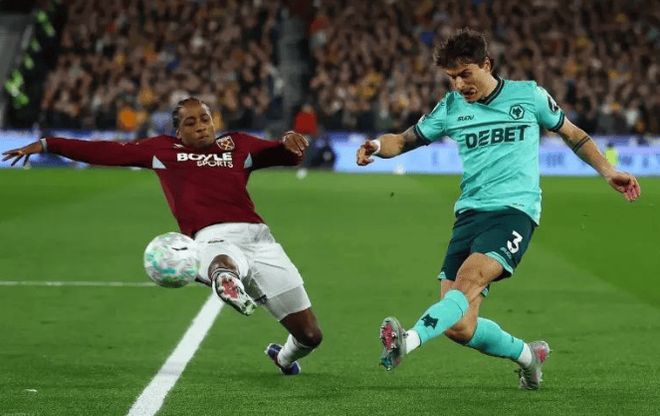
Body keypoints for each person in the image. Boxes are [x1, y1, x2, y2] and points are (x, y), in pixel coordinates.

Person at [356, 29, 641, 389]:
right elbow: (403, 140)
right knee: (459, 326)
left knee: (468, 281)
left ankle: (406, 342)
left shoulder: (529, 96)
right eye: (452, 77)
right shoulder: (451, 107)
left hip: (514, 212)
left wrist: (608, 170)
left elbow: (573, 134)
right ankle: (528, 357)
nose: (459, 85)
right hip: (468, 216)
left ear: (486, 65)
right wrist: (375, 145)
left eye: (465, 74)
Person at [2, 97, 322, 376]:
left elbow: (285, 154)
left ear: (214, 121)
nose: (201, 127)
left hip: (260, 241)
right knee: (223, 262)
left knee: (310, 336)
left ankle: (283, 358)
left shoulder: (237, 145)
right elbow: (107, 151)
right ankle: (223, 278)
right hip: (210, 238)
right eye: (190, 123)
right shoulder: (163, 150)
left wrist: (290, 141)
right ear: (178, 131)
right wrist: (48, 144)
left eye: (205, 119)